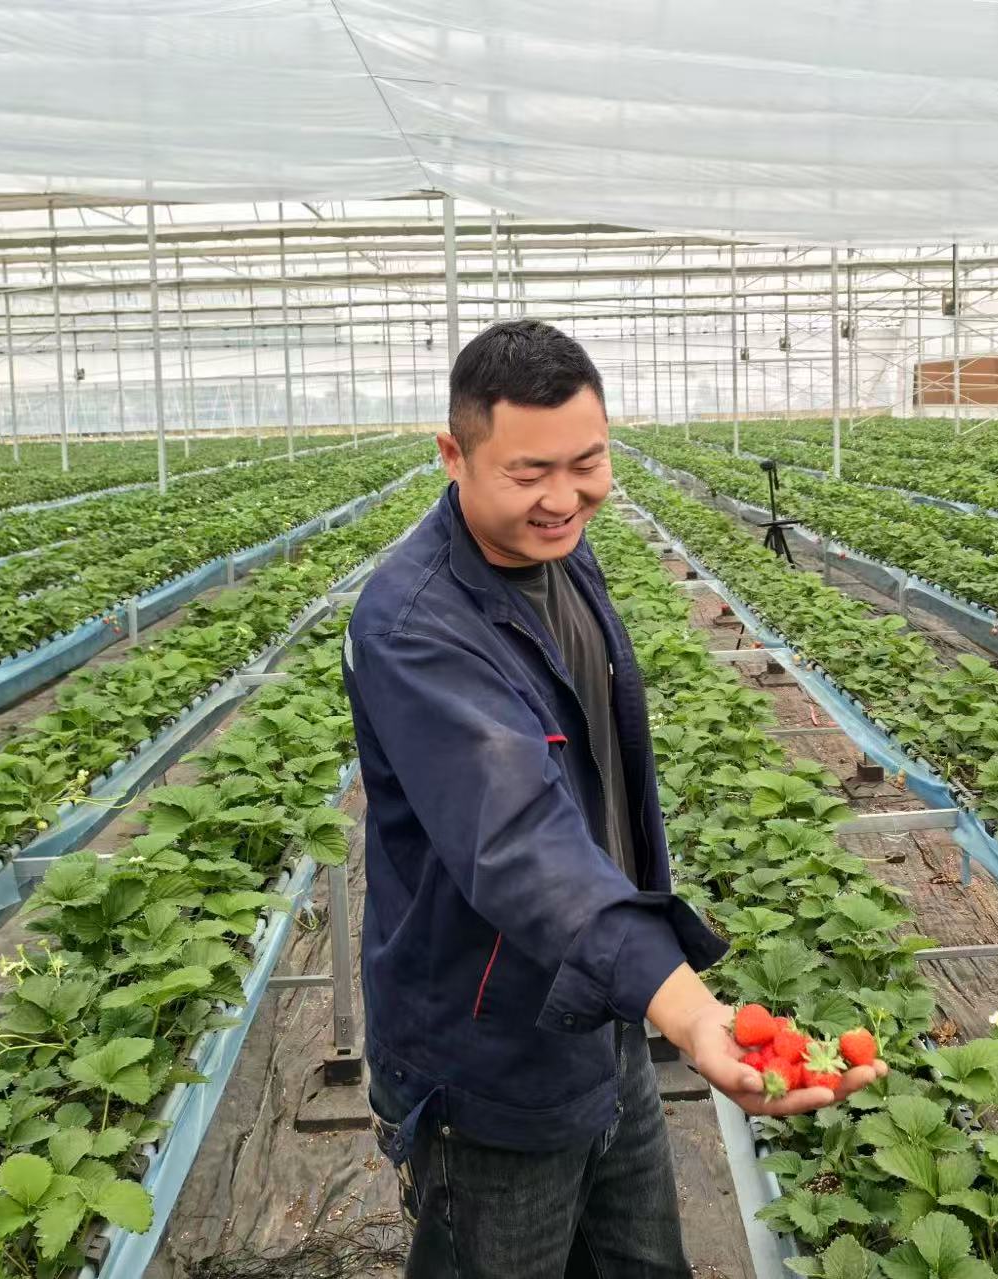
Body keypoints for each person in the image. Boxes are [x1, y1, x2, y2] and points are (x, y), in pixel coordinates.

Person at [342, 319, 885, 1279]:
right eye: (529, 472)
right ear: (453, 455)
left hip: (603, 1006)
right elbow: (520, 842)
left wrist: (650, 987)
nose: (564, 498)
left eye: (587, 462)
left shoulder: (560, 550)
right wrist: (694, 1012)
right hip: (490, 1052)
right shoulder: (414, 625)